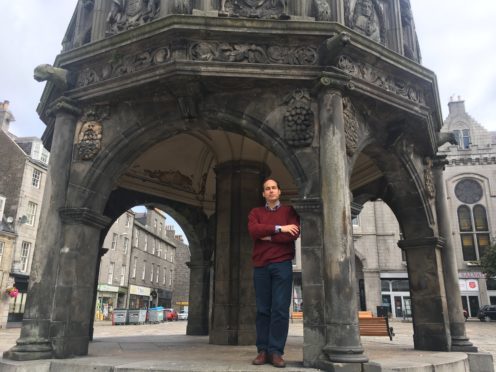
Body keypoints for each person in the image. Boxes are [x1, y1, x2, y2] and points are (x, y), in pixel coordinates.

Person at [248, 178, 300, 368]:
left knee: (279, 309)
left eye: (273, 188)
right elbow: (254, 231)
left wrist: (267, 236)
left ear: (279, 191)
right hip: (261, 265)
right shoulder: (256, 212)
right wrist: (279, 229)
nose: (270, 191)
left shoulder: (289, 211)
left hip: (282, 265)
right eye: (267, 189)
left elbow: (293, 234)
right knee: (263, 309)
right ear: (263, 194)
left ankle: (276, 351)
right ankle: (262, 351)